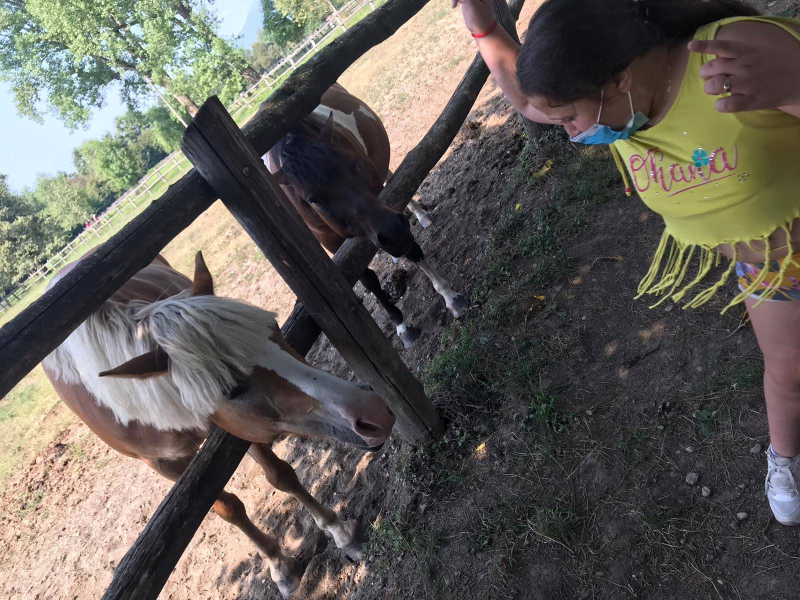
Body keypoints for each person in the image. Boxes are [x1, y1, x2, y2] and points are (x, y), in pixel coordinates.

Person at [453, 0, 800, 525]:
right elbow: (528, 100)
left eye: (569, 119)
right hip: (775, 270)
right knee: (789, 371)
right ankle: (785, 459)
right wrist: (480, 25)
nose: (571, 134)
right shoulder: (615, 99)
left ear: (619, 81)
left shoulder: (728, 54)